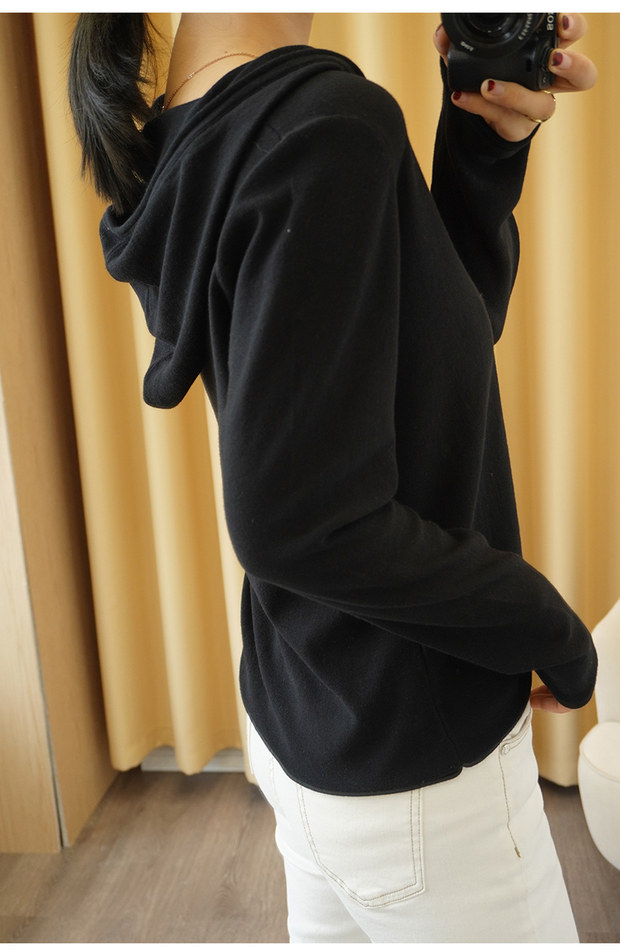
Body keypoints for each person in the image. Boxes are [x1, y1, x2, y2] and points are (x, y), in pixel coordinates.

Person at [68, 12, 598, 943]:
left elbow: (431, 359)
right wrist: (544, 624)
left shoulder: (204, 114)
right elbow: (297, 521)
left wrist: (482, 146)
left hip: (313, 724)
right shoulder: (323, 127)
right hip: (424, 774)